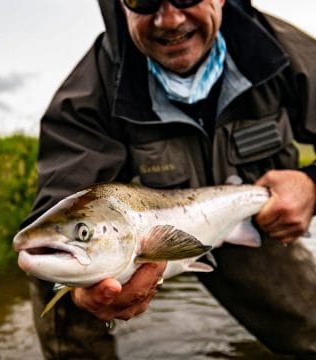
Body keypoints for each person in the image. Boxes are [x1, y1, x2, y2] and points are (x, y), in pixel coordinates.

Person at [22, 0, 316, 358]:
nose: (170, 19)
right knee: (57, 276)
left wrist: (312, 183)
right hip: (126, 238)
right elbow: (62, 201)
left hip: (247, 219)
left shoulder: (282, 51)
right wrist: (78, 279)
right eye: (143, 0)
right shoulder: (89, 91)